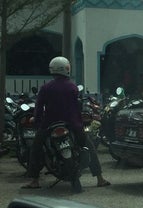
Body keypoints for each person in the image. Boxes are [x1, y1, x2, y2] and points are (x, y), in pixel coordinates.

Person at [22, 56, 110, 191]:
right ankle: (100, 178)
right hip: (72, 124)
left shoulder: (46, 88)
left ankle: (34, 180)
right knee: (89, 148)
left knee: (36, 148)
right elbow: (77, 107)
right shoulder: (72, 87)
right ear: (66, 69)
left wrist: (37, 123)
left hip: (49, 124)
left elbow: (39, 108)